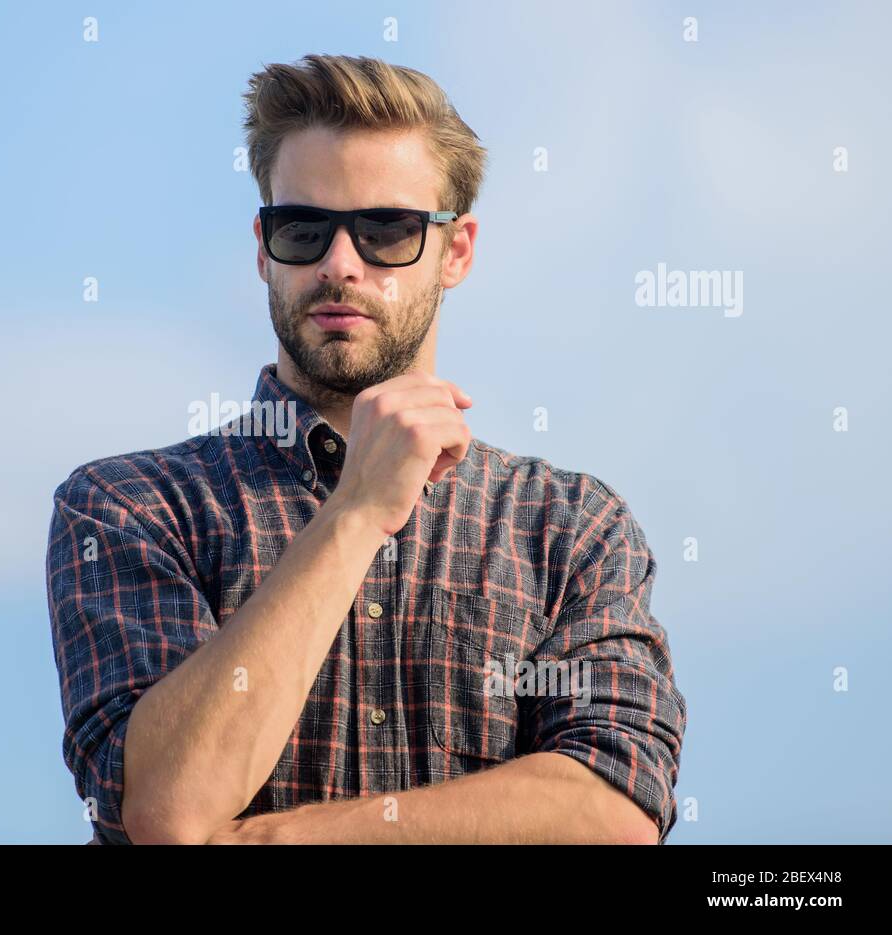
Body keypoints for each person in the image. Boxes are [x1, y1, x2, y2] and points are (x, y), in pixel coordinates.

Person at [46, 53, 686, 844]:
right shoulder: (128, 506)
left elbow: (612, 809)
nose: (340, 265)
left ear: (456, 251)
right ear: (262, 247)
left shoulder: (569, 526)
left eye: (387, 230)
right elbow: (168, 808)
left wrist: (283, 838)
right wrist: (354, 511)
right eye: (304, 230)